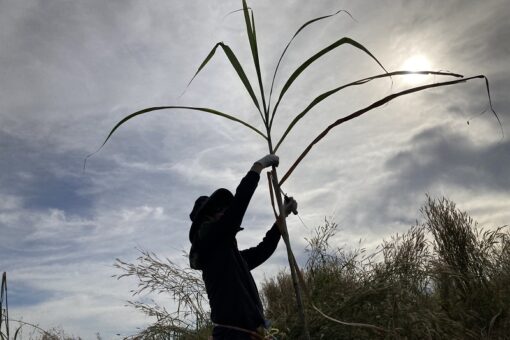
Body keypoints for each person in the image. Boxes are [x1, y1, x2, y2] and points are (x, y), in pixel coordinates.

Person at [189, 154, 297, 339]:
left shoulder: (229, 256)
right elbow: (237, 208)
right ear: (207, 219)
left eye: (224, 208)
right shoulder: (209, 243)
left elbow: (263, 250)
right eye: (219, 209)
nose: (224, 211)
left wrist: (282, 215)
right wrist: (258, 167)